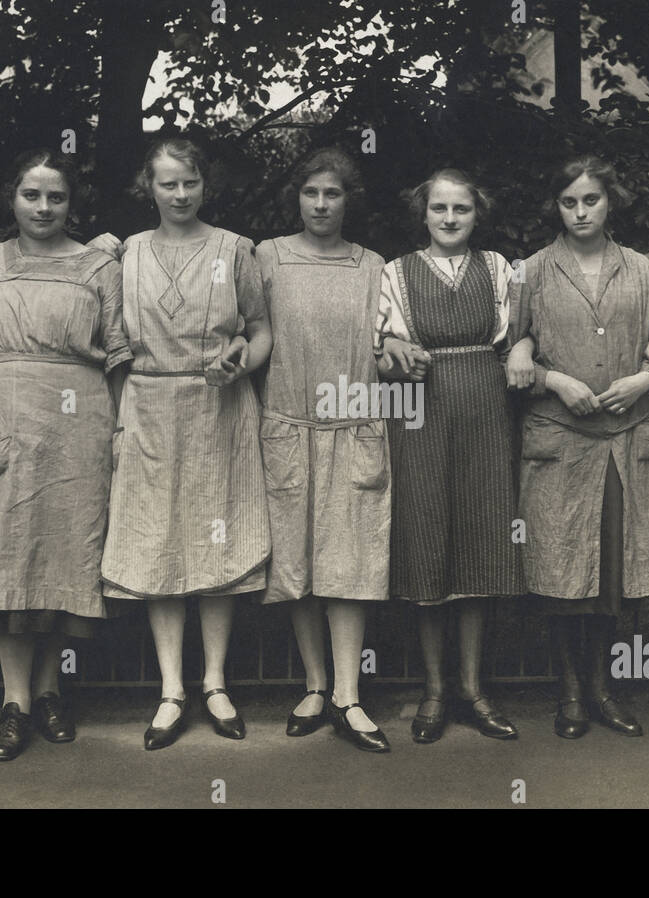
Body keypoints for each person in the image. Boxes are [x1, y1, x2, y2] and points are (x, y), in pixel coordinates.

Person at [100, 136, 273, 750]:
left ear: (205, 186)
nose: (179, 194)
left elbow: (261, 329)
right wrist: (118, 419)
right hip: (148, 407)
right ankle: (171, 689)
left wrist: (242, 362)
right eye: (168, 183)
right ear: (148, 187)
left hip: (219, 408)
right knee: (159, 543)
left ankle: (215, 682)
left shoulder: (234, 250)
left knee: (215, 540)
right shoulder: (124, 254)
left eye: (190, 183)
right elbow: (108, 337)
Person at [0, 149, 131, 760]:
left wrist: (121, 432)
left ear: (71, 204)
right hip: (6, 419)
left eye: (56, 197)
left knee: (65, 556)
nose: (43, 207)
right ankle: (14, 704)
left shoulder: (100, 266)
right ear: (12, 199)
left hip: (79, 427)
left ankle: (50, 690)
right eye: (31, 195)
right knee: (11, 557)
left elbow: (118, 354)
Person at [506, 155, 649, 739]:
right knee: (561, 570)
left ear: (609, 202)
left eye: (591, 200)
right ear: (557, 207)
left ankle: (604, 690)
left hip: (622, 441)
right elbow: (511, 354)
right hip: (560, 441)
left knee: (610, 575)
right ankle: (571, 694)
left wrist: (644, 380)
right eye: (569, 202)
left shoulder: (640, 268)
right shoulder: (532, 270)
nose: (580, 212)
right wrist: (554, 379)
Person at [377, 167, 522, 744]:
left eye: (461, 208)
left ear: (476, 213)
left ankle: (474, 689)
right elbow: (379, 350)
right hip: (420, 415)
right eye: (439, 208)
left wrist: (523, 350)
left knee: (481, 543)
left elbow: (519, 337)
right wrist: (392, 347)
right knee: (428, 542)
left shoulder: (498, 268)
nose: (450, 218)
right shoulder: (396, 272)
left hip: (485, 412)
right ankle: (434, 691)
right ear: (424, 213)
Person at [257, 148, 390, 752]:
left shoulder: (373, 266)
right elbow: (240, 324)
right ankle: (315, 684)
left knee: (350, 565)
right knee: (297, 564)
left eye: (332, 194)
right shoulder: (267, 257)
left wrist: (396, 353)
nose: (320, 204)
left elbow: (387, 342)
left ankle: (348, 695)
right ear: (297, 197)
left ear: (347, 200)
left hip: (354, 429)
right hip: (288, 428)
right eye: (311, 193)